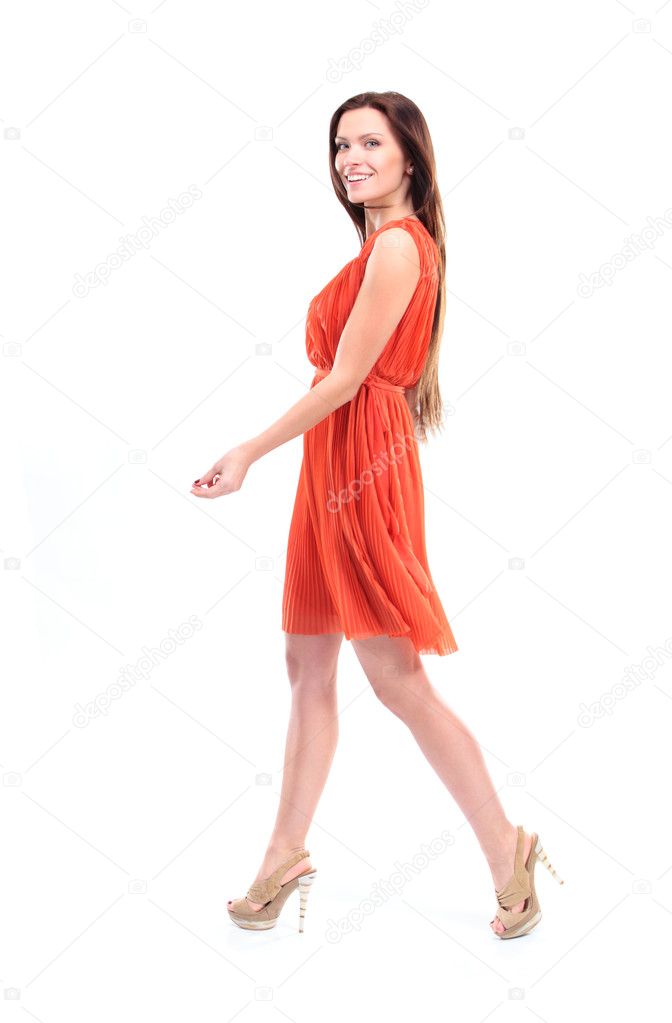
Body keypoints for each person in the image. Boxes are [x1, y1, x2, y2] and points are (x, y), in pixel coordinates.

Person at [191, 91, 563, 938]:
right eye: (339, 145)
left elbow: (346, 380)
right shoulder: (381, 246)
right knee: (306, 664)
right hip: (336, 459)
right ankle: (285, 851)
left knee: (395, 675)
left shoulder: (398, 246)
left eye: (369, 142)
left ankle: (508, 847)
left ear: (409, 158)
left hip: (361, 460)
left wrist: (248, 449)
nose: (350, 157)